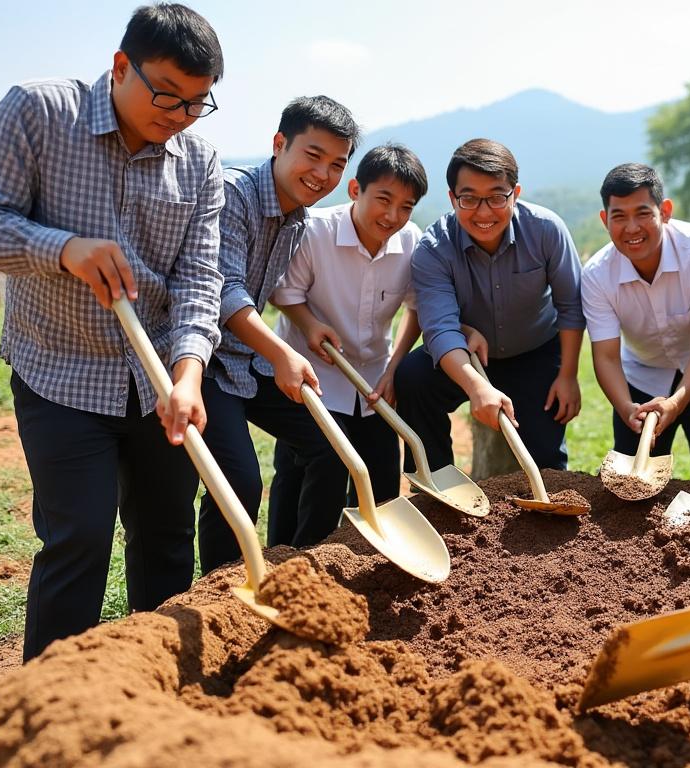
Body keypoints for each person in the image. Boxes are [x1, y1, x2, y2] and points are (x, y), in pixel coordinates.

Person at [0, 3, 225, 660]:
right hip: (60, 369)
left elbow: (200, 279)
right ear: (121, 66)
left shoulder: (200, 161)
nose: (180, 115)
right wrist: (65, 249)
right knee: (79, 538)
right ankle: (50, 700)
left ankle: (155, 681)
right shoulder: (40, 112)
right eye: (167, 94)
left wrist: (188, 374)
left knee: (165, 538)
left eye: (197, 103)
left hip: (159, 381)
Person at [195, 96, 358, 574]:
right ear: (279, 143)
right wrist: (282, 352)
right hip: (205, 361)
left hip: (248, 360)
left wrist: (305, 328)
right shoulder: (233, 194)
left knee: (333, 447)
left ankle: (303, 568)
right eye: (313, 155)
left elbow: (270, 292)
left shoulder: (297, 217)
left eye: (336, 164)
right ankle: (221, 589)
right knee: (239, 483)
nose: (322, 174)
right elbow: (225, 291)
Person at [395, 139, 584, 471]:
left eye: (497, 197)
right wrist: (476, 386)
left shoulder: (546, 230)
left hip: (535, 352)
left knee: (544, 462)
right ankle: (436, 483)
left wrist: (568, 376)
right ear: (452, 198)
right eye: (469, 199)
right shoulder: (434, 248)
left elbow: (570, 306)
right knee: (413, 377)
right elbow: (440, 329)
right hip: (467, 355)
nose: (483, 213)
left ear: (515, 194)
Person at [269, 143, 427, 507]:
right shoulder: (314, 231)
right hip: (314, 378)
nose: (392, 215)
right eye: (383, 199)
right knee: (306, 481)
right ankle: (296, 544)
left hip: (374, 383)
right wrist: (310, 325)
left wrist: (394, 367)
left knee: (382, 487)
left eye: (406, 207)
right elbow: (285, 293)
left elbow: (417, 309)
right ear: (355, 189)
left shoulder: (411, 241)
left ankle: (369, 546)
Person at [582, 164, 690, 481]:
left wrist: (676, 403)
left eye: (643, 213)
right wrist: (626, 407)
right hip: (643, 373)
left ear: (665, 211)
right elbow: (606, 356)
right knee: (632, 479)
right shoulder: (597, 274)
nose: (632, 228)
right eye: (619, 216)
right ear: (605, 220)